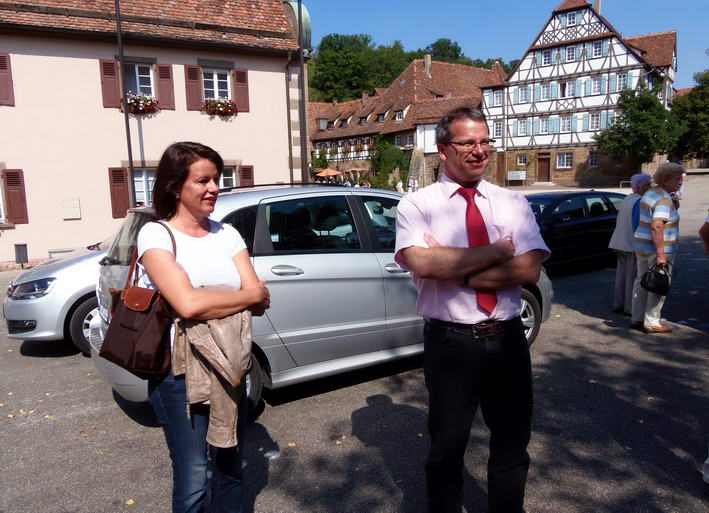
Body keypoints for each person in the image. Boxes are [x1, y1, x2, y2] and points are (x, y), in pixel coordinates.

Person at [395, 107, 550, 513]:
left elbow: (529, 268)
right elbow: (423, 263)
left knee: (513, 445)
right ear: (443, 149)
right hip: (451, 343)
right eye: (467, 143)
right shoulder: (417, 205)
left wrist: (459, 270)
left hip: (508, 338)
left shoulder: (512, 202)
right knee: (447, 447)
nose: (479, 151)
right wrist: (498, 252)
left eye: (484, 141)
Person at [138, 142, 270, 513]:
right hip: (177, 373)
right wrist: (238, 297)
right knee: (194, 474)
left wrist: (206, 297)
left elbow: (259, 299)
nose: (214, 187)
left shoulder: (227, 234)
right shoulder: (156, 235)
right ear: (175, 187)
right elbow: (187, 303)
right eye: (202, 180)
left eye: (217, 179)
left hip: (230, 365)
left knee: (231, 465)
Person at [630, 162, 683, 334]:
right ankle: (652, 322)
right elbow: (657, 226)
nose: (681, 181)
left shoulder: (650, 193)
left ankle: (636, 318)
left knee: (641, 280)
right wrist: (661, 254)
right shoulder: (663, 199)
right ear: (666, 179)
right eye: (677, 178)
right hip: (657, 248)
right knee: (658, 282)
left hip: (641, 244)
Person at [608, 173, 652, 315]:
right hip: (631, 243)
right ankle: (629, 306)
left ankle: (618, 303)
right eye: (647, 185)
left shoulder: (628, 198)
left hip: (619, 241)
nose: (650, 187)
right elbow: (637, 224)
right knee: (631, 276)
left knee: (621, 275)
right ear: (639, 187)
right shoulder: (640, 201)